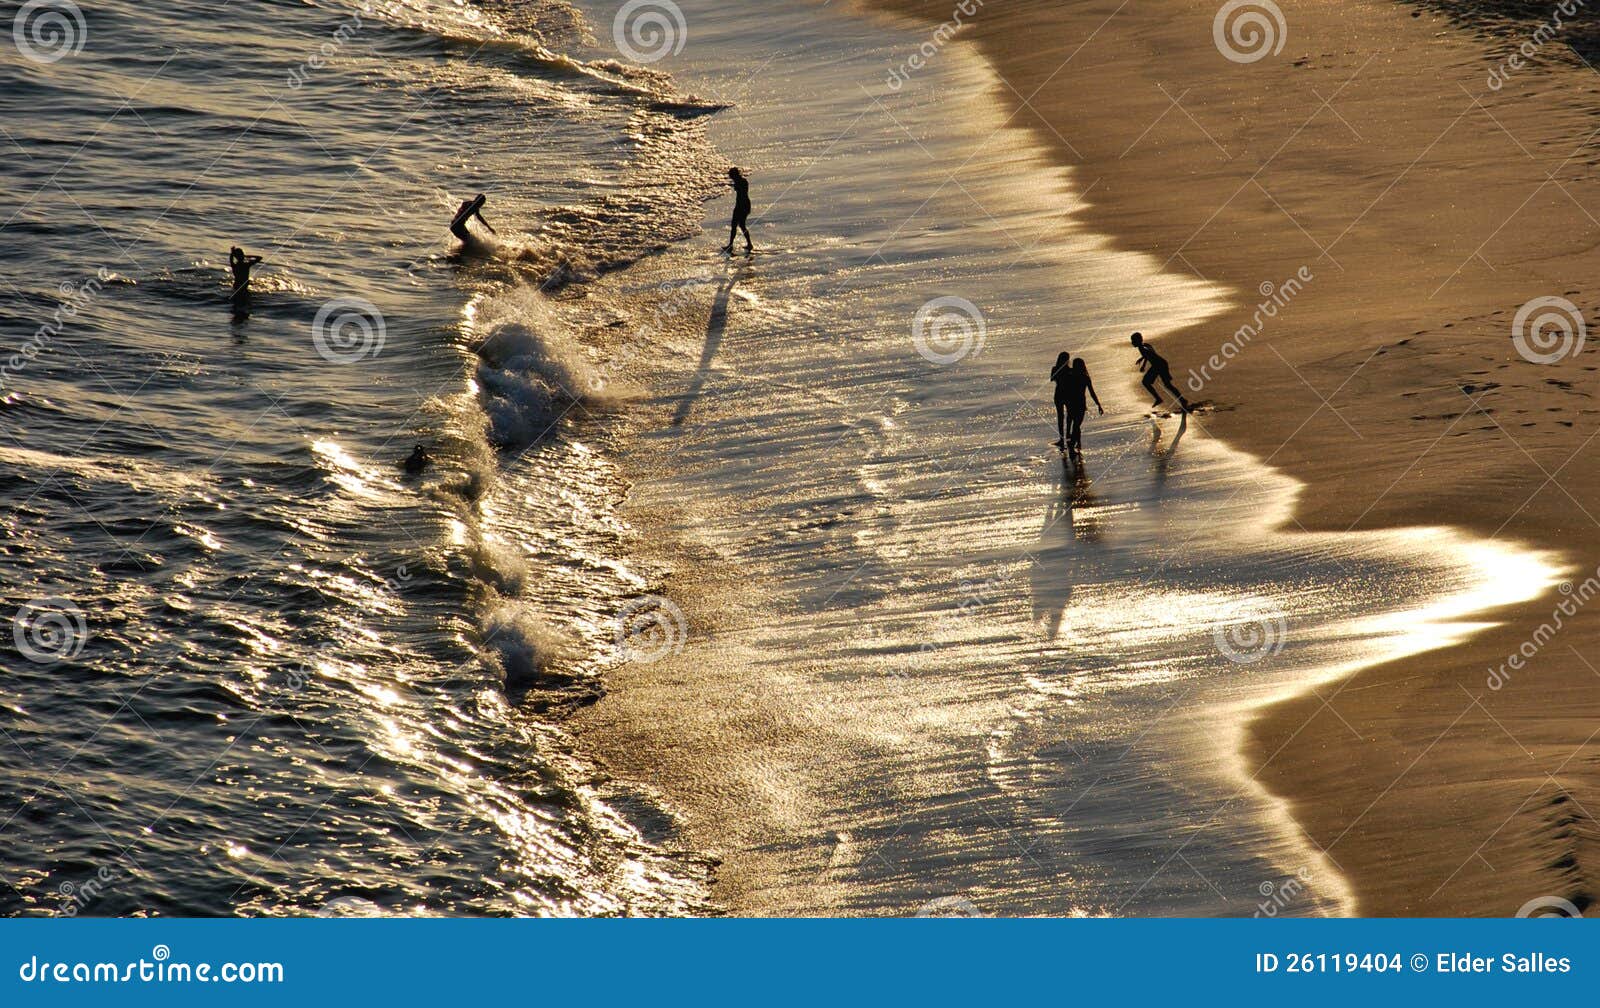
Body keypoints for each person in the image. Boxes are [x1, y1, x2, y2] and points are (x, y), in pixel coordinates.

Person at [1131, 331, 1191, 412]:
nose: (1132, 343)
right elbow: (1147, 354)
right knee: (1167, 385)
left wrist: (1143, 365)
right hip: (1160, 364)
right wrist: (1142, 361)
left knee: (1147, 382)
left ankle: (1159, 398)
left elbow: (1148, 353)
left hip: (1159, 365)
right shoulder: (1145, 345)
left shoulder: (1143, 348)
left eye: (1133, 341)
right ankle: (1182, 400)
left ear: (1137, 341)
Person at [1063, 358, 1104, 451]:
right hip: (1080, 404)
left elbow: (1065, 390)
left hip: (1072, 403)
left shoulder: (1071, 376)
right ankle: (1075, 443)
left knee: (1075, 425)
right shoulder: (1085, 377)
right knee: (1077, 425)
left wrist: (1099, 405)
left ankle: (1075, 443)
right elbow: (1092, 393)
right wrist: (1098, 405)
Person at [720, 167, 752, 254]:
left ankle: (731, 245)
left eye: (731, 176)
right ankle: (748, 244)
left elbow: (740, 191)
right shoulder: (741, 181)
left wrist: (735, 185)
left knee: (736, 225)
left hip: (741, 206)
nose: (731, 177)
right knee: (741, 225)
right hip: (743, 205)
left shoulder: (741, 182)